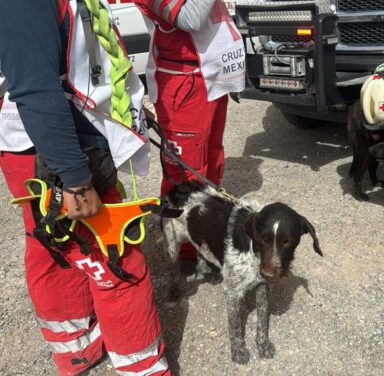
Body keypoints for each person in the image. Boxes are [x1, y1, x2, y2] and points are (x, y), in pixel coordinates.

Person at [0, 1, 170, 374]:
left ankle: (77, 348)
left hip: (45, 144)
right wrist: (75, 178)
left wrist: (135, 113)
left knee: (54, 248)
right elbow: (35, 87)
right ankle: (140, 365)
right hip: (56, 152)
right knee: (115, 258)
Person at [132, 0, 245, 261]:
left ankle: (204, 232)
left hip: (209, 77)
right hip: (182, 82)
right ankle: (182, 248)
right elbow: (190, 18)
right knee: (185, 175)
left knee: (211, 161)